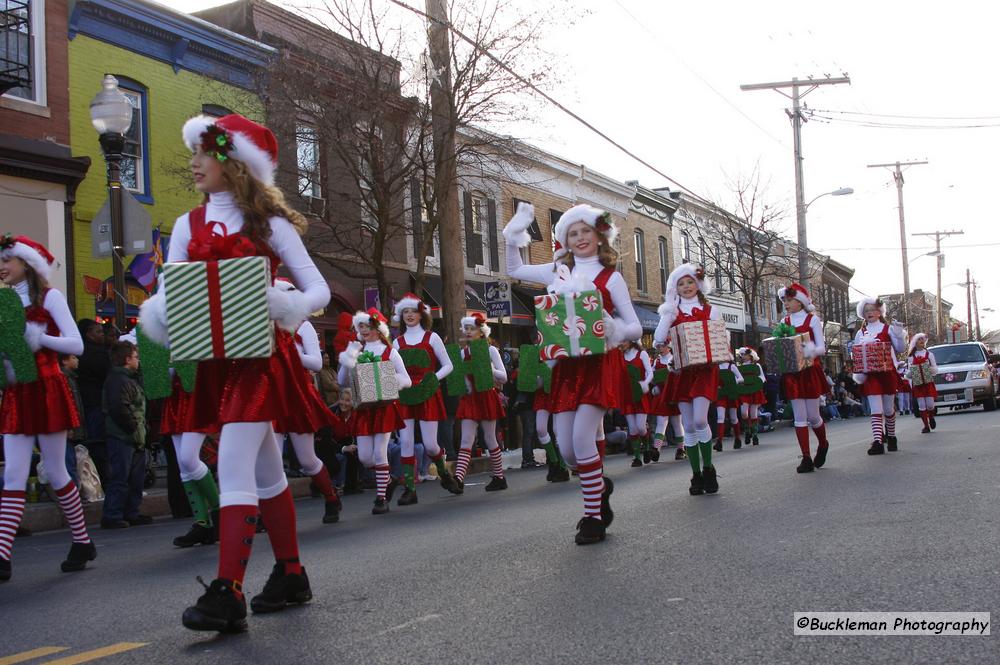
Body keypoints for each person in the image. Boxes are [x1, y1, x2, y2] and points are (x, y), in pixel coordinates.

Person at [140, 113, 331, 632]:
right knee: (267, 471)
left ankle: (228, 590)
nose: (195, 162)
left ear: (236, 162)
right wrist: (162, 315)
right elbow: (168, 292)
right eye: (194, 151)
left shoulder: (271, 225)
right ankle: (291, 572)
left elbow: (318, 292)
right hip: (214, 363)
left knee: (232, 463)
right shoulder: (186, 225)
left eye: (206, 152)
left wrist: (277, 304)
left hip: (260, 362)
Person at [505, 202, 640, 544]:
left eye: (585, 232)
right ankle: (600, 485)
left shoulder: (612, 278)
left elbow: (635, 326)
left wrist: (613, 328)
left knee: (582, 440)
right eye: (572, 233)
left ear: (599, 236)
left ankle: (593, 517)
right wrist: (513, 233)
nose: (580, 238)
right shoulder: (555, 271)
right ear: (565, 238)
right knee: (567, 451)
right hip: (565, 369)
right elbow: (515, 268)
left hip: (598, 365)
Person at [0, 235, 95, 581]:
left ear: (26, 263)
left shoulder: (50, 297)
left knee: (56, 470)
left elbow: (76, 344)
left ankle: (82, 540)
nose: (2, 266)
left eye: (8, 259)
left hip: (47, 388)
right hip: (16, 391)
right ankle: (2, 555)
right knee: (13, 472)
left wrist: (40, 337)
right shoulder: (4, 300)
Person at [653, 264, 731, 496]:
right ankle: (696, 474)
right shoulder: (673, 311)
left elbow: (721, 339)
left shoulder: (711, 310)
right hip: (681, 372)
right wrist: (667, 314)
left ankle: (708, 468)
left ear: (698, 284)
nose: (686, 287)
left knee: (699, 420)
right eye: (681, 283)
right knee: (688, 426)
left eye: (690, 282)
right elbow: (658, 339)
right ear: (674, 288)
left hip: (704, 371)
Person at [272, 280, 343, 525]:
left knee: (306, 459)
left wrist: (287, 349)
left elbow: (315, 363)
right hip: (269, 395)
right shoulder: (264, 327)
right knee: (270, 461)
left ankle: (330, 496)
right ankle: (269, 513)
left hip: (297, 394)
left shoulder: (304, 327)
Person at [337, 308, 412, 514]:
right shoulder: (356, 350)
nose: (364, 330)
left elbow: (407, 379)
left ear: (379, 329)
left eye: (368, 327)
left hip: (384, 407)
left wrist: (390, 381)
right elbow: (341, 380)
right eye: (361, 327)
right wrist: (348, 356)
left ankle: (381, 499)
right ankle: (387, 479)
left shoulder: (390, 352)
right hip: (363, 409)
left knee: (380, 452)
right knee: (365, 457)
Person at [391, 293, 460, 503]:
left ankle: (444, 473)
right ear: (401, 316)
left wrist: (433, 379)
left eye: (413, 311)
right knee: (406, 442)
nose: (409, 315)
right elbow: (390, 368)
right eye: (405, 312)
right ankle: (410, 489)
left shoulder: (433, 338)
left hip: (428, 393)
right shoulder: (397, 342)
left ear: (421, 314)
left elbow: (449, 365)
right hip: (405, 395)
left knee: (431, 445)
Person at [776, 283, 830, 473]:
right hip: (793, 374)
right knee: (799, 417)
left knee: (813, 416)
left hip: (809, 371)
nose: (786, 304)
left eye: (790, 300)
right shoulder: (784, 322)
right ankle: (805, 457)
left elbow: (822, 348)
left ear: (800, 301)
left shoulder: (812, 320)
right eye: (784, 300)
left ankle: (823, 444)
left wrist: (807, 351)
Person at [451, 314, 509, 493]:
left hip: (486, 396)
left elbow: (504, 377)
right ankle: (458, 480)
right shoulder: (463, 353)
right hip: (470, 398)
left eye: (472, 328)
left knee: (490, 438)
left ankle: (499, 477)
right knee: (466, 439)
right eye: (466, 329)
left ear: (481, 332)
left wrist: (489, 369)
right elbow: (460, 380)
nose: (468, 332)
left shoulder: (491, 351)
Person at [100, 341, 152, 529]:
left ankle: (131, 512)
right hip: (123, 436)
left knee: (135, 478)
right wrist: (132, 427)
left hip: (133, 435)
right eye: (136, 357)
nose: (138, 361)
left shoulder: (127, 379)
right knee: (120, 477)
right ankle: (113, 514)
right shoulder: (118, 380)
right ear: (127, 359)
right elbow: (118, 407)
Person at [852, 297, 906, 455]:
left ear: (880, 311)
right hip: (871, 375)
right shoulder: (860, 332)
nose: (870, 313)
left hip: (887, 373)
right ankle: (877, 441)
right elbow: (856, 354)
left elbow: (900, 349)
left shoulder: (887, 329)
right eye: (867, 310)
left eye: (873, 309)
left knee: (889, 409)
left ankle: (892, 436)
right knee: (876, 409)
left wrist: (898, 335)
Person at [76, 319, 110, 479]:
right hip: (95, 402)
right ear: (89, 334)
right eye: (98, 332)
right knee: (98, 442)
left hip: (92, 402)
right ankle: (103, 477)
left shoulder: (87, 352)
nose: (102, 335)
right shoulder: (95, 354)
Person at [618, 340, 654, 466]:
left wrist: (645, 383)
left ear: (631, 340)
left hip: (640, 394)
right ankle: (637, 457)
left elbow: (650, 372)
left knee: (640, 427)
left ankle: (647, 447)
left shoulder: (641, 354)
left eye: (623, 341)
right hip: (626, 395)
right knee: (632, 428)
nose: (621, 344)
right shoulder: (619, 357)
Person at [59, 353, 85, 485]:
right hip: (68, 428)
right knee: (68, 461)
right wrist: (69, 426)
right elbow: (65, 403)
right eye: (73, 357)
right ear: (64, 361)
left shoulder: (72, 378)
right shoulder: (64, 379)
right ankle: (73, 490)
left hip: (73, 426)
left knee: (71, 459)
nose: (77, 360)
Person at [907, 333, 939, 434]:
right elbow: (908, 372)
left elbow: (935, 369)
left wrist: (928, 369)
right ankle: (926, 426)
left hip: (928, 383)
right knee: (921, 405)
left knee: (930, 404)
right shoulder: (911, 357)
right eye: (919, 339)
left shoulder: (929, 354)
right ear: (915, 342)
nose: (921, 341)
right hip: (918, 384)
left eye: (922, 339)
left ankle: (931, 417)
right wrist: (912, 372)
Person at [735, 347, 765, 447]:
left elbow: (762, 377)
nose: (742, 356)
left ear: (750, 355)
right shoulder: (739, 367)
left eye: (744, 354)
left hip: (754, 391)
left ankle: (755, 435)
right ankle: (748, 431)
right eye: (741, 355)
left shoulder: (757, 366)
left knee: (753, 414)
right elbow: (737, 379)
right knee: (744, 413)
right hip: (744, 392)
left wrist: (757, 383)